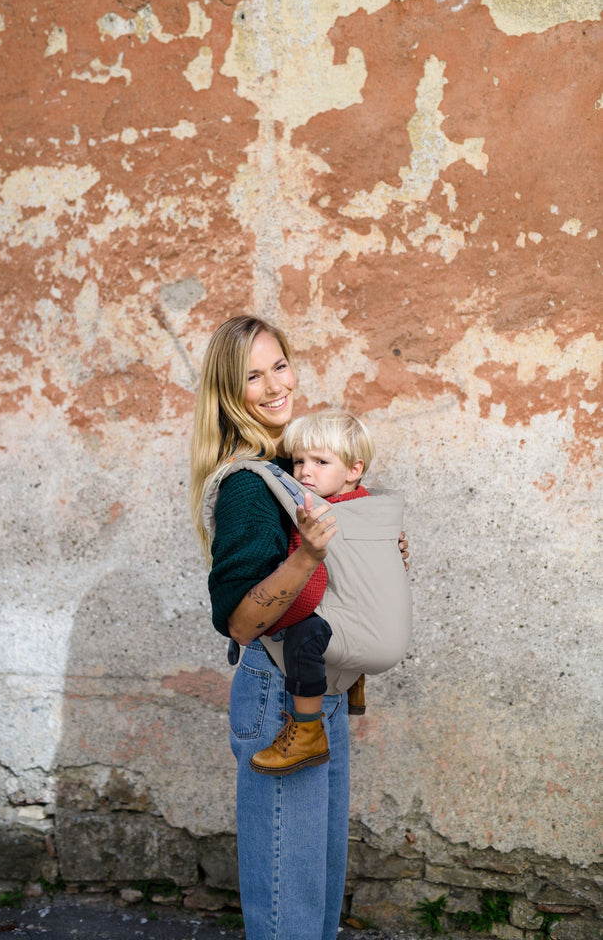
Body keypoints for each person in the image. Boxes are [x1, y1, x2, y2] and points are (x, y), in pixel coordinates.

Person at [190, 315, 408, 940]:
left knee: (315, 894)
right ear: (230, 392)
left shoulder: (292, 467)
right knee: (289, 901)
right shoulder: (246, 487)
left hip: (318, 692)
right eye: (252, 376)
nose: (274, 385)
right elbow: (239, 619)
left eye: (279, 365)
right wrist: (309, 557)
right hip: (279, 696)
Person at [249, 409, 376, 777]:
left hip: (342, 622)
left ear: (353, 470)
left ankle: (306, 729)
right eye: (299, 461)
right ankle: (354, 683)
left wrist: (271, 622)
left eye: (320, 461)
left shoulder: (318, 513)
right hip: (365, 618)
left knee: (303, 634)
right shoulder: (366, 504)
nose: (305, 472)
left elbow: (310, 588)